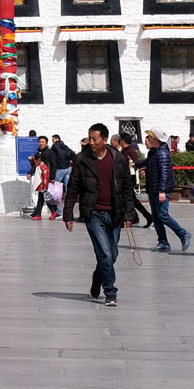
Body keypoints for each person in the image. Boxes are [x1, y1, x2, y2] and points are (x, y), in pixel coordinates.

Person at [64, 124, 132, 306]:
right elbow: (73, 187)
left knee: (113, 254)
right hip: (93, 213)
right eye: (90, 138)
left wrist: (128, 214)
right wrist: (68, 214)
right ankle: (110, 292)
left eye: (95, 139)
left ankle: (97, 278)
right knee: (104, 253)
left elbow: (127, 189)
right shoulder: (81, 159)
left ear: (105, 139)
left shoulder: (118, 159)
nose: (91, 142)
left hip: (115, 213)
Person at [140, 130, 190, 252]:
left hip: (160, 190)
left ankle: (183, 233)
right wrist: (135, 165)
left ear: (156, 139)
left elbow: (165, 173)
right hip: (153, 188)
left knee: (163, 215)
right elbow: (147, 162)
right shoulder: (153, 152)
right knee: (156, 217)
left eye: (150, 137)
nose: (148, 139)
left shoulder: (162, 153)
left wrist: (162, 190)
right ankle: (163, 242)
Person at [27, 150, 56, 220]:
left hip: (43, 187)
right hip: (41, 187)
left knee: (42, 200)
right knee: (43, 200)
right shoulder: (39, 166)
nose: (34, 163)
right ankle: (51, 212)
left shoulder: (43, 167)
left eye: (35, 161)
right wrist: (31, 159)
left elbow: (45, 177)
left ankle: (43, 214)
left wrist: (45, 187)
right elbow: (32, 165)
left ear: (39, 160)